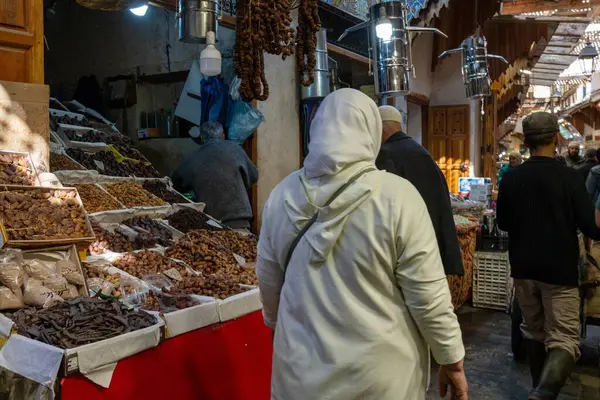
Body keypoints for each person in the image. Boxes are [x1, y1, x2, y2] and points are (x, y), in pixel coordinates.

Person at [256, 89, 467, 400]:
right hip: (380, 380)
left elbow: (269, 284)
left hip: (300, 377)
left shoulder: (281, 196)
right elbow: (428, 296)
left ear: (318, 129)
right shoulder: (397, 196)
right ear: (370, 132)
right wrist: (452, 360)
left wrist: (282, 329)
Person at [497, 112, 600, 400]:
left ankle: (537, 390)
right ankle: (542, 393)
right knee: (565, 338)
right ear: (556, 138)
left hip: (523, 266)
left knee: (533, 331)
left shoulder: (512, 177)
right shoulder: (569, 177)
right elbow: (589, 225)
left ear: (526, 142)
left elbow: (503, 223)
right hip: (559, 268)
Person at [375, 106, 463, 276]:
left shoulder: (386, 154)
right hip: (430, 241)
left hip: (407, 245)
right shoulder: (420, 151)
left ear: (382, 128)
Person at [171, 121, 258, 230]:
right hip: (240, 221)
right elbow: (254, 176)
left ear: (202, 138)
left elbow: (176, 184)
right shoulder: (235, 149)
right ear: (222, 136)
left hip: (211, 225)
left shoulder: (193, 157)